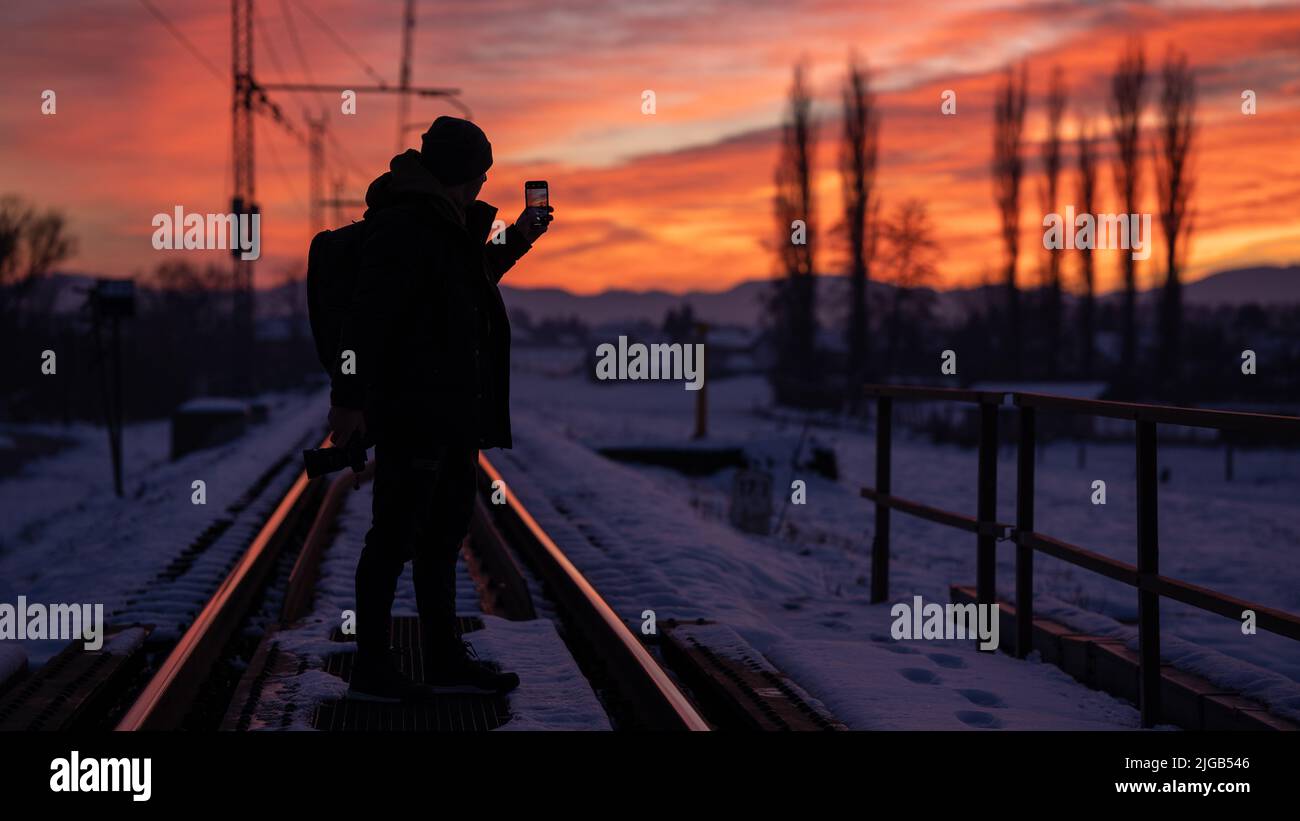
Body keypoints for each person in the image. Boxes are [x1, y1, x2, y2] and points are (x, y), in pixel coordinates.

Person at [327, 116, 552, 701]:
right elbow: (365, 321)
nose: (483, 185)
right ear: (458, 173)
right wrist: (348, 402)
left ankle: (444, 659)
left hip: (453, 412)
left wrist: (522, 234)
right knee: (395, 537)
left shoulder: (446, 225)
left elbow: (475, 279)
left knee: (442, 537)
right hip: (413, 410)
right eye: (479, 174)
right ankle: (375, 667)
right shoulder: (404, 226)